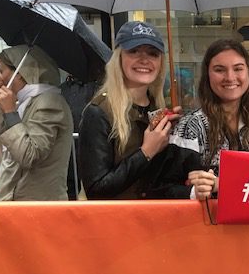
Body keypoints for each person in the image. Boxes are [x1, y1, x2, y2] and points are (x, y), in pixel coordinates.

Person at [78, 20, 191, 200]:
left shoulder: (159, 111)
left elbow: (164, 182)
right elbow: (96, 189)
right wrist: (146, 152)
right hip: (116, 223)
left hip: (157, 220)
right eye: (134, 51)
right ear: (119, 58)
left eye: (153, 53)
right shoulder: (98, 113)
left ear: (160, 62)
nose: (144, 59)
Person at [169, 39, 249, 199]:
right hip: (205, 221)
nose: (230, 77)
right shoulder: (190, 126)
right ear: (207, 74)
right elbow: (165, 188)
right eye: (220, 70)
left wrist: (223, 183)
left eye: (238, 68)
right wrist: (194, 192)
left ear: (248, 72)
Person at [0, 45, 73, 200]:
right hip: (15, 203)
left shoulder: (49, 103)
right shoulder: (22, 101)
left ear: (20, 74)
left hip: (36, 207)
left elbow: (30, 155)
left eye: (1, 70)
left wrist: (10, 113)